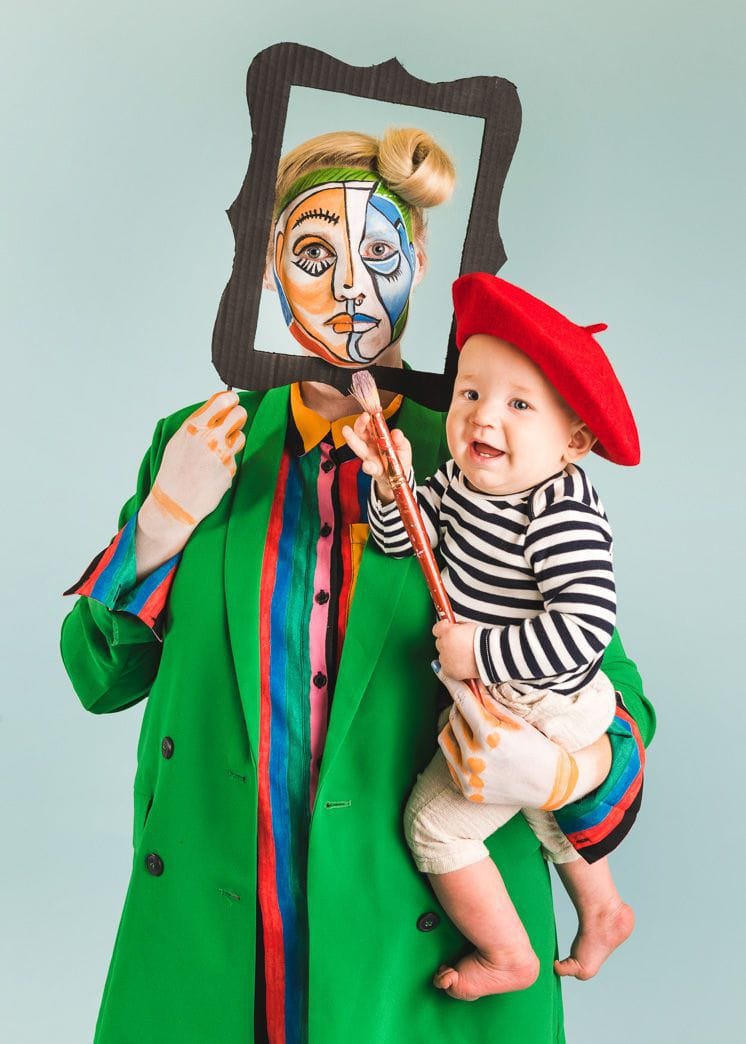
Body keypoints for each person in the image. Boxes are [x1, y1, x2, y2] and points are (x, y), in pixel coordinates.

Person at [60, 130, 655, 1043]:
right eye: (313, 255)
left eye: (378, 254)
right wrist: (160, 527)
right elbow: (100, 678)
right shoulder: (197, 437)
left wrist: (563, 771)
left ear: (418, 265)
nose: (348, 288)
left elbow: (611, 694)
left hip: (412, 942)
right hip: (222, 927)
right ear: (266, 277)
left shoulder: (485, 443)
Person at [344, 271, 643, 1001]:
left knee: (436, 828)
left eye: (518, 404)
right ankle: (603, 908)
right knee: (548, 814)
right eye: (472, 393)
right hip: (516, 696)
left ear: (573, 439)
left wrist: (480, 650)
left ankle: (508, 953)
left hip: (550, 700)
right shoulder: (459, 483)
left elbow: (582, 631)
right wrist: (394, 490)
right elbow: (401, 543)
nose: (484, 418)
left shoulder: (560, 510)